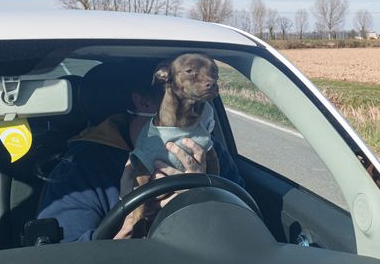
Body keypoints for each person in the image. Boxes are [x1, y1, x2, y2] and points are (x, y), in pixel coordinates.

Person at [37, 62, 244, 242]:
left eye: (200, 105)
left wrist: (205, 195)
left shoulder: (210, 152)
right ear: (143, 103)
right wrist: (131, 221)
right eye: (185, 103)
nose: (195, 115)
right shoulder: (83, 165)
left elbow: (247, 224)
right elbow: (64, 258)